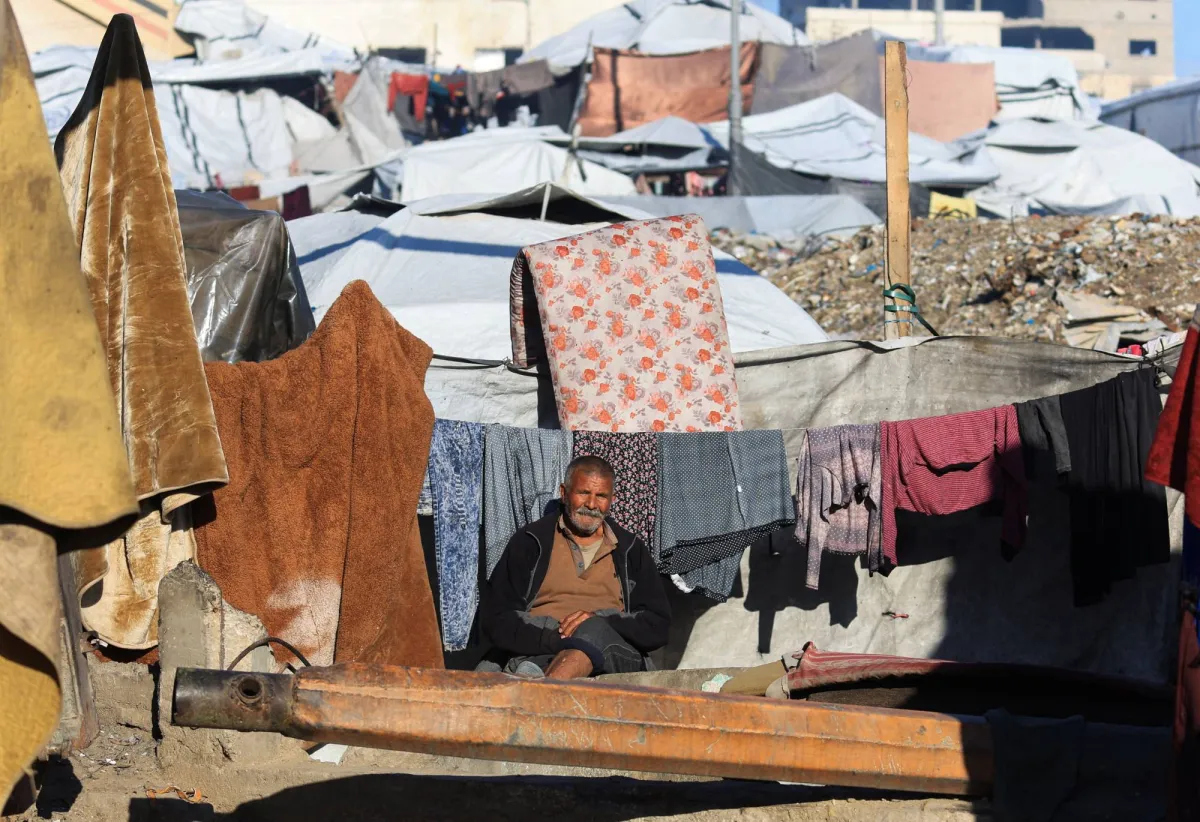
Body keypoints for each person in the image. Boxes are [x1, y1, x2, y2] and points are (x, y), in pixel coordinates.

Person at [479, 455, 671, 680]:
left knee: (593, 630)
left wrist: (600, 620)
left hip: (613, 654)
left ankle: (542, 690)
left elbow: (657, 625)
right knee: (535, 660)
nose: (591, 505)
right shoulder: (531, 541)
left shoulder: (630, 549)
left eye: (601, 496)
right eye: (583, 493)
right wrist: (557, 634)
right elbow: (496, 618)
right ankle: (543, 678)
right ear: (564, 492)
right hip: (541, 648)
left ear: (612, 499)